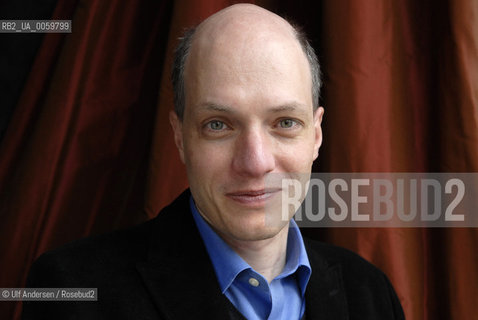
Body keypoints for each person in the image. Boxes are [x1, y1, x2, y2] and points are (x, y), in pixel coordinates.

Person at [23, 4, 405, 319]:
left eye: (285, 123)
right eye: (219, 125)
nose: (255, 163)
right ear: (180, 136)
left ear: (316, 135)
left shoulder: (370, 294)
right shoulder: (72, 294)